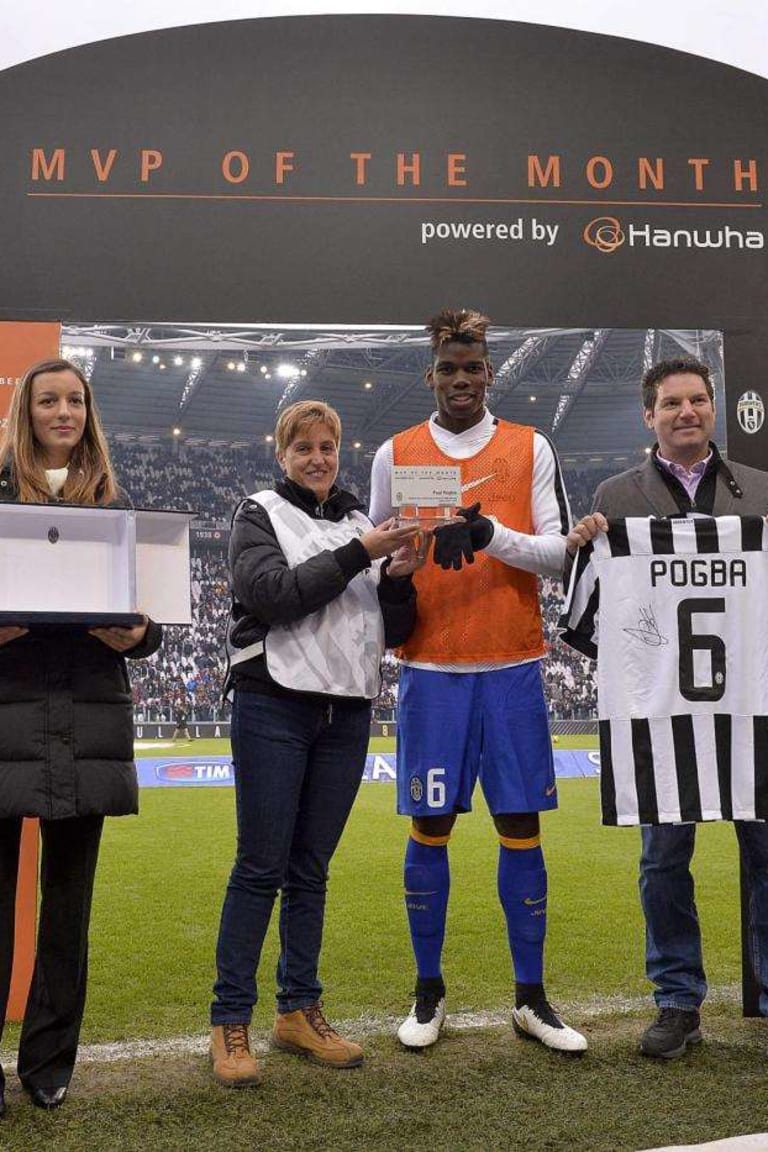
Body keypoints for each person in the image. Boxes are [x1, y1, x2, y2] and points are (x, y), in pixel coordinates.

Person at [369, 309, 587, 1054]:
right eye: (447, 369)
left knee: (520, 827)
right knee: (431, 828)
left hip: (515, 667)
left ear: (491, 372)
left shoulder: (530, 446)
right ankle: (428, 992)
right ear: (429, 374)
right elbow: (373, 551)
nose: (460, 380)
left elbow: (560, 555)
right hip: (430, 672)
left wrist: (492, 535)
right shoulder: (396, 452)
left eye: (472, 368)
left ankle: (531, 998)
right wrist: (395, 568)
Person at [210, 399, 420, 1086]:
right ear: (282, 454)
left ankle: (298, 1010)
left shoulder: (364, 522)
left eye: (328, 446)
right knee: (260, 866)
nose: (318, 458)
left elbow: (401, 627)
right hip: (274, 702)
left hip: (346, 711)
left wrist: (400, 576)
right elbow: (271, 594)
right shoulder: (257, 512)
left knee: (311, 869)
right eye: (304, 447)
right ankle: (229, 1019)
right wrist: (366, 552)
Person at [565, 356, 768, 1059]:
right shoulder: (615, 499)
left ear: (713, 408)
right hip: (662, 714)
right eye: (673, 402)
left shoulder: (762, 494)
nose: (688, 411)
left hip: (752, 711)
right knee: (663, 859)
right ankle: (677, 1001)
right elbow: (593, 616)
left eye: (699, 400)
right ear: (648, 415)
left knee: (767, 850)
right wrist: (584, 551)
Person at [0, 358, 162, 1115]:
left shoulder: (117, 503)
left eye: (74, 400)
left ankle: (49, 1063)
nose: (63, 412)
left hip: (89, 716)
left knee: (69, 907)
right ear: (26, 413)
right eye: (48, 400)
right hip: (8, 712)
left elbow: (150, 616)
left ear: (87, 412)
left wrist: (138, 634)